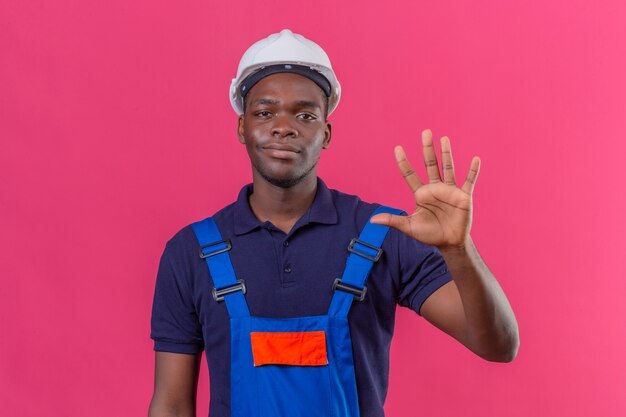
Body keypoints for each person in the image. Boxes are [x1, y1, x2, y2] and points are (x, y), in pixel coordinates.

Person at [149, 29, 519, 417]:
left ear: (325, 133)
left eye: (305, 114)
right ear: (242, 127)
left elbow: (498, 346)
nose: (283, 127)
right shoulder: (191, 251)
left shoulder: (384, 233)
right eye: (264, 112)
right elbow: (171, 405)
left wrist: (460, 251)